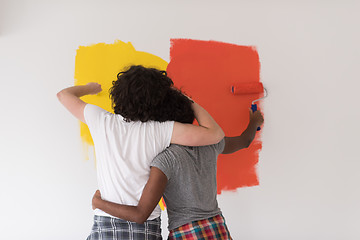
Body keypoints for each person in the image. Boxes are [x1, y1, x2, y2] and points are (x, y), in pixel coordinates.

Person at [57, 65, 224, 240]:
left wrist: (90, 88)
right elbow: (215, 134)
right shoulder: (162, 130)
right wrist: (185, 98)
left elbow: (63, 95)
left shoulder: (101, 120)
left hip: (107, 222)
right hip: (145, 227)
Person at [91, 104, 264, 239]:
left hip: (186, 233)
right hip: (217, 227)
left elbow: (140, 213)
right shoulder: (212, 144)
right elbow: (245, 140)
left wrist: (98, 202)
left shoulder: (164, 159)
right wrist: (255, 120)